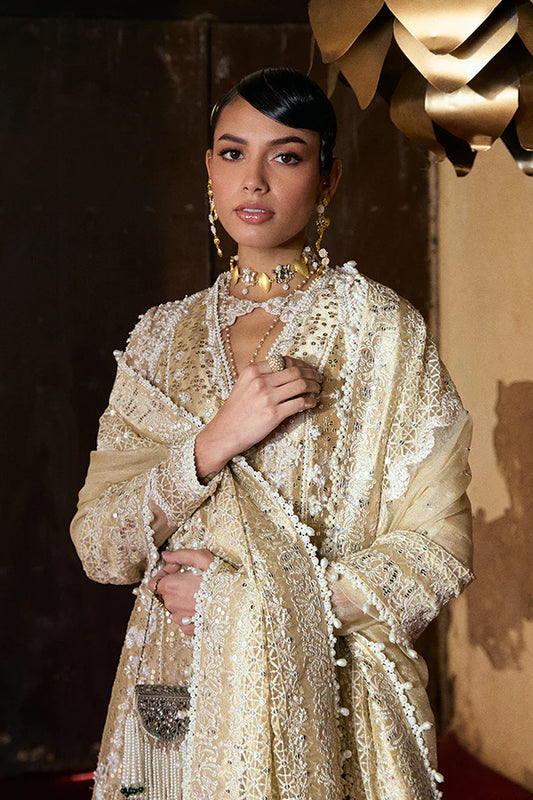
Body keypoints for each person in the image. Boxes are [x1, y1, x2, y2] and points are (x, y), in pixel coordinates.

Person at [71, 68, 474, 800]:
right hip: (176, 695)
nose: (252, 180)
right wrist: (212, 443)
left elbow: (436, 553)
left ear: (328, 177)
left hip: (330, 701)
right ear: (208, 168)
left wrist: (241, 606)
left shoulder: (381, 332)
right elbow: (101, 546)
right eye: (232, 153)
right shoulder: (160, 340)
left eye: (286, 156)